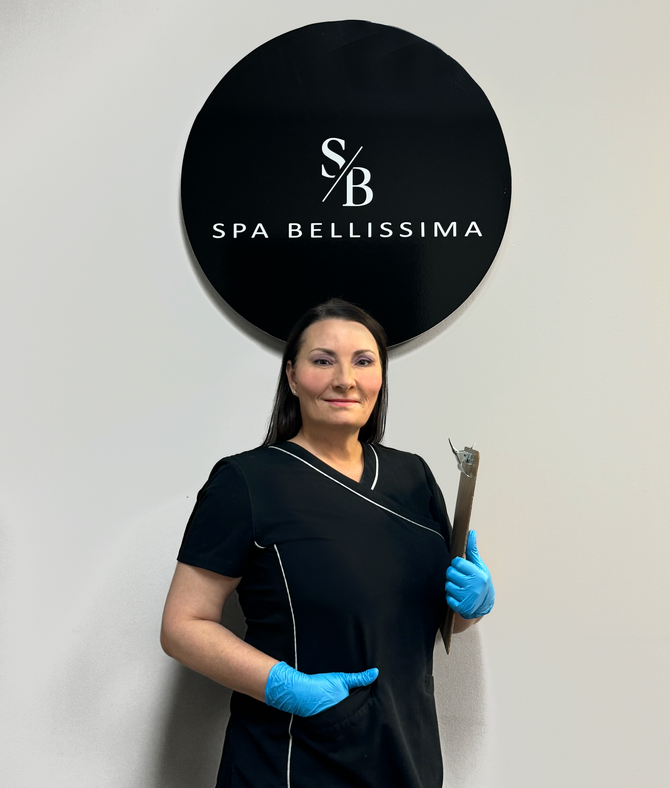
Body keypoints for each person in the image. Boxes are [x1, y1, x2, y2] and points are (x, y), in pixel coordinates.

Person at [160, 299, 495, 788]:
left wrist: (471, 606)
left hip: (408, 758)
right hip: (294, 761)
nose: (345, 379)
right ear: (292, 377)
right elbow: (182, 627)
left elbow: (435, 622)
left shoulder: (413, 477)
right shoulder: (246, 482)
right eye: (323, 361)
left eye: (363, 361)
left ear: (381, 377)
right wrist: (282, 686)